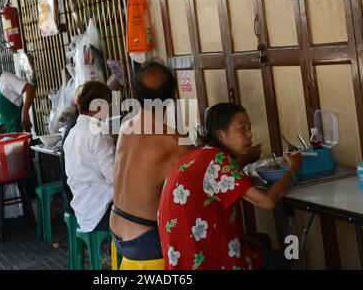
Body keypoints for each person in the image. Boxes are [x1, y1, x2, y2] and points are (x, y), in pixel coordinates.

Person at [158, 103, 302, 270]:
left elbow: (218, 182)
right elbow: (267, 202)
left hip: (182, 258)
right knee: (278, 257)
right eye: (242, 129)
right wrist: (293, 168)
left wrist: (243, 161)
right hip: (204, 259)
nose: (250, 134)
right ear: (221, 135)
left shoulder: (202, 154)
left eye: (249, 127)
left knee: (262, 241)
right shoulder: (217, 160)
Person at [109, 62, 193, 261]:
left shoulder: (125, 127)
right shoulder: (173, 141)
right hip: (144, 240)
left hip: (115, 228)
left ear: (136, 95)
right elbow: (206, 178)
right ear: (172, 97)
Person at [63, 81, 115, 233]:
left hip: (84, 210)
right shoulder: (97, 132)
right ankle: (109, 250)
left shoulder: (73, 132)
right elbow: (114, 177)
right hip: (100, 212)